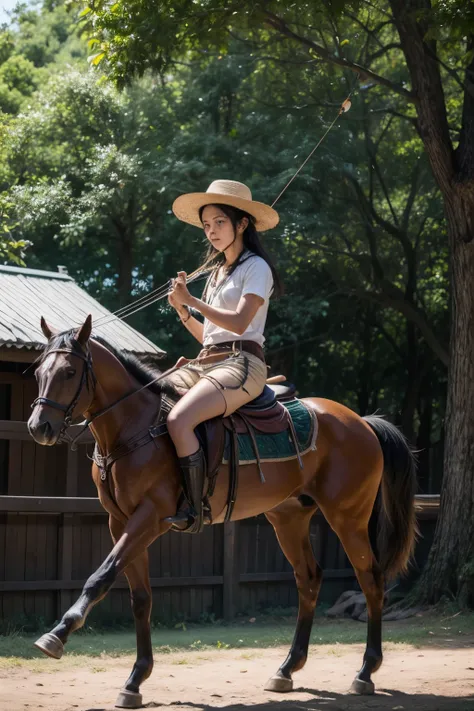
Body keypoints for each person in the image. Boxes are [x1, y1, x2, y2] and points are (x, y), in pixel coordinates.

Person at [164, 179, 281, 533]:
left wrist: (193, 302)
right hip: (209, 362)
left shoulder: (256, 267)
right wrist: (184, 313)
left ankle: (196, 505)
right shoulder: (216, 273)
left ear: (242, 223)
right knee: (151, 401)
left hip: (244, 364)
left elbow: (240, 322)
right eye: (206, 225)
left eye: (219, 222)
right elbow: (210, 336)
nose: (211, 231)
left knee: (179, 421)